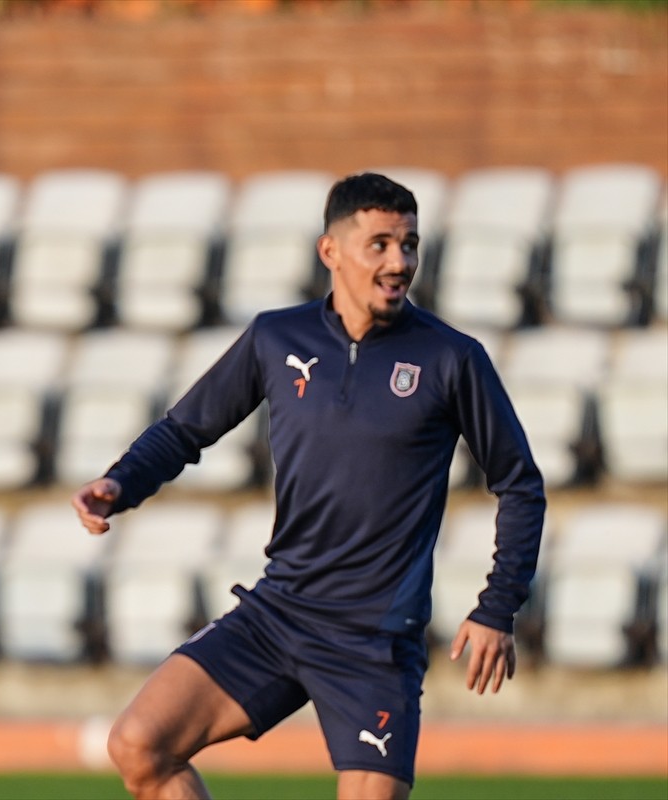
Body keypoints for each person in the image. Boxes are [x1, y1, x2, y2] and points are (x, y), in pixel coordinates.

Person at [72, 172, 545, 800]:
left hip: (375, 641)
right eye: (379, 244)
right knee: (138, 745)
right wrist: (120, 482)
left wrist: (497, 606)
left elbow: (520, 484)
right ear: (331, 252)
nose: (399, 262)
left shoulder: (451, 358)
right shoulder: (277, 337)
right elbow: (186, 430)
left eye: (410, 244)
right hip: (279, 613)